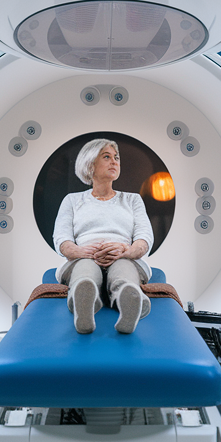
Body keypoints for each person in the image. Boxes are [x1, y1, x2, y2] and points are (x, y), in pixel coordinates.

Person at [53, 138, 154, 334]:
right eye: (106, 157)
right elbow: (61, 239)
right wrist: (81, 252)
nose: (114, 162)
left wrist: (127, 251)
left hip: (124, 257)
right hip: (83, 257)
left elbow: (145, 237)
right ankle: (84, 303)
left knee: (123, 271)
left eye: (116, 158)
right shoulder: (72, 200)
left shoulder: (133, 200)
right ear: (90, 164)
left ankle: (131, 301)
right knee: (85, 272)